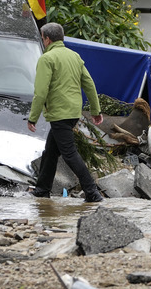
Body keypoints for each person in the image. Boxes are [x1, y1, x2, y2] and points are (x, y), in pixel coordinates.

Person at [27, 23, 104, 202]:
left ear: (47, 38)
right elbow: (89, 84)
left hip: (59, 113)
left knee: (69, 153)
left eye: (42, 37)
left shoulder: (47, 59)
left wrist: (33, 117)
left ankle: (92, 192)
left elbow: (40, 91)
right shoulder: (74, 56)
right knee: (51, 152)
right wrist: (95, 110)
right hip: (72, 113)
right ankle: (41, 190)